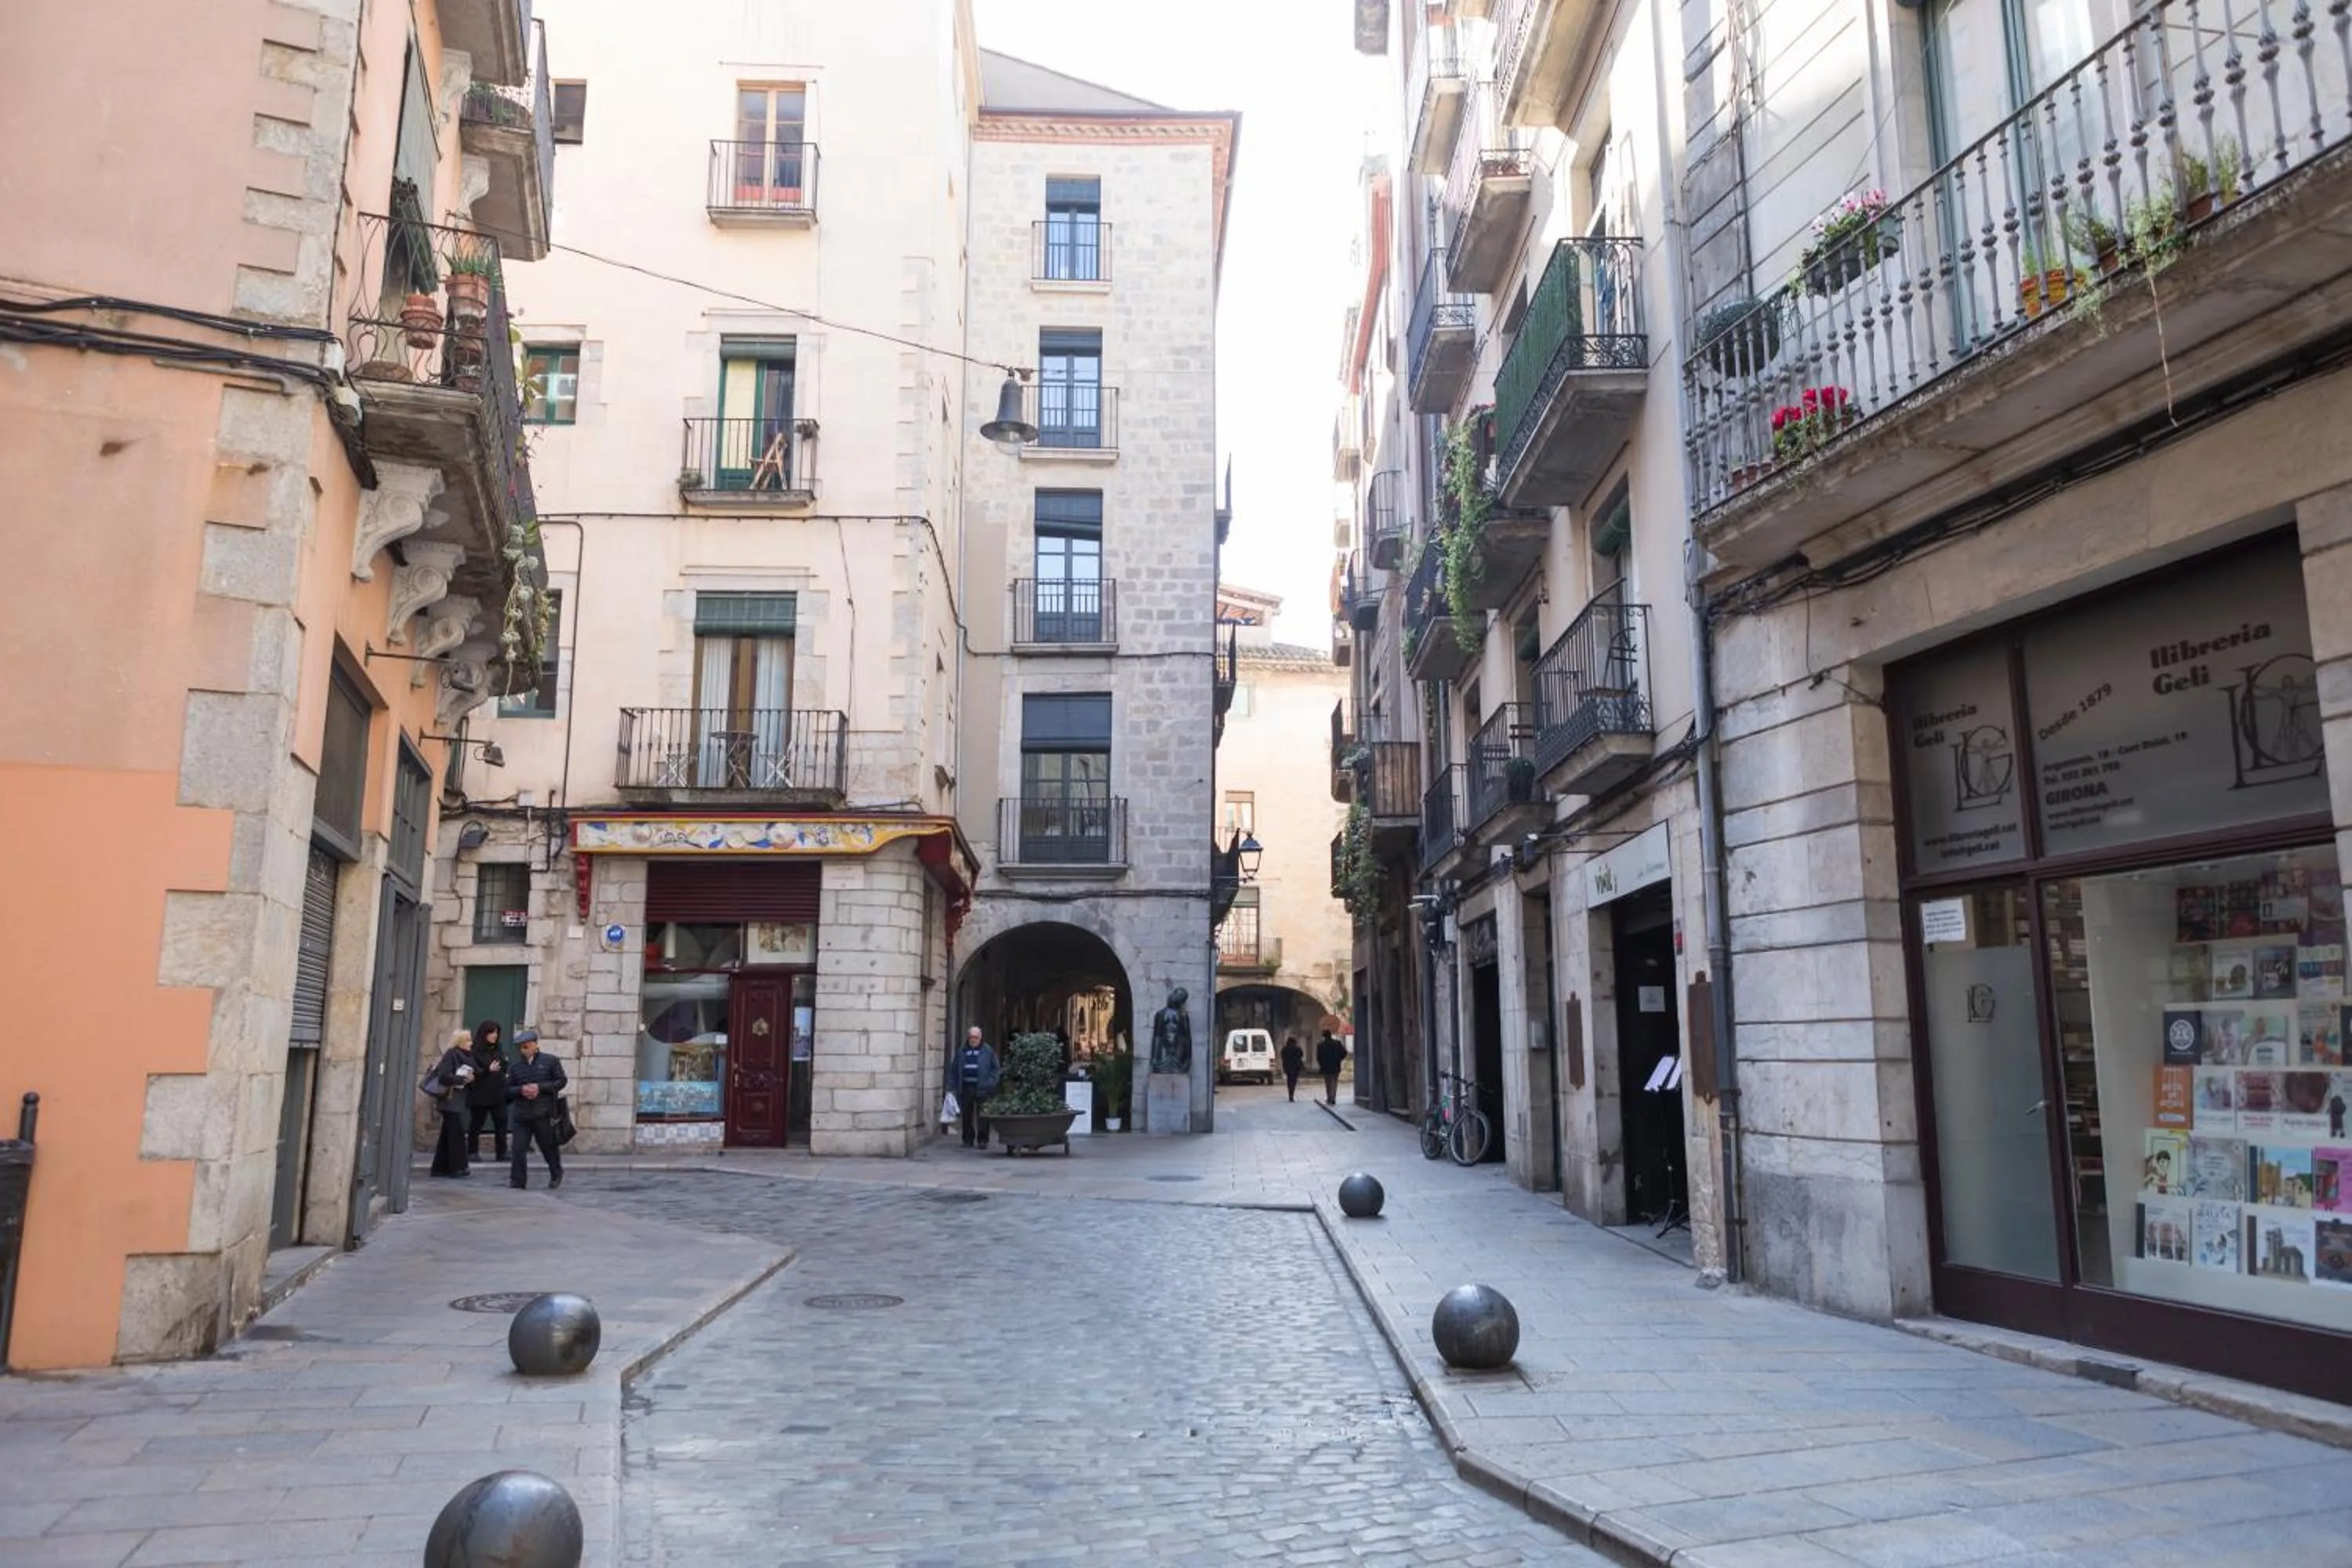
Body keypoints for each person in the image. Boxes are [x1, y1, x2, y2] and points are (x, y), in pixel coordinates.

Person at [506, 1027, 567, 1190]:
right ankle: (518, 1180)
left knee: (548, 1147)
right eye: (521, 1047)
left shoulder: (550, 1061)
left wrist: (540, 1087)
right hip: (522, 1114)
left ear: (534, 1045)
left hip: (543, 1113)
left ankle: (556, 1172)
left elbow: (561, 1081)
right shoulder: (515, 1067)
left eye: (526, 1046)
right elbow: (507, 1089)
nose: (523, 1050)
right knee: (518, 1148)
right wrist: (521, 1090)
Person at [428, 1029, 477, 1178]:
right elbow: (444, 1076)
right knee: (456, 1134)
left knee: (447, 1134)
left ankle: (440, 1167)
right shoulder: (451, 1055)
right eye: (468, 1040)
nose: (471, 1043)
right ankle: (458, 1167)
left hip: (458, 1099)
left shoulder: (468, 1056)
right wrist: (462, 1079)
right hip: (449, 1099)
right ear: (460, 1042)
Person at [465, 1019, 509, 1161]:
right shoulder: (475, 1050)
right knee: (477, 1123)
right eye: (491, 1032)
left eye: (496, 1032)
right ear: (484, 1034)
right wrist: (488, 1070)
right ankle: (472, 1152)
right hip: (480, 1093)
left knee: (501, 1122)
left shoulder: (498, 1049)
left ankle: (502, 1152)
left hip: (497, 1092)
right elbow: (472, 1070)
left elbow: (503, 1066)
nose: (494, 1035)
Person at [953, 1026, 1000, 1149]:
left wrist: (991, 1082)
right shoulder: (962, 1051)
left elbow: (996, 1069)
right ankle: (968, 1139)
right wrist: (953, 1085)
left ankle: (983, 1139)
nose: (973, 1040)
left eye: (976, 1038)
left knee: (983, 1115)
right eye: (971, 1037)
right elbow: (954, 1069)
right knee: (967, 1114)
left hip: (983, 1087)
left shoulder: (988, 1051)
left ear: (980, 1038)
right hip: (966, 1086)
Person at [1316, 1029, 1348, 1107]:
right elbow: (1344, 1053)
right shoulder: (1337, 1043)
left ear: (1324, 1036)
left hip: (1326, 1066)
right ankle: (1333, 1097)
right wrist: (1339, 1059)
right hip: (1335, 1065)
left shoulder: (1321, 1045)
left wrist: (1322, 1064)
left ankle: (1329, 1097)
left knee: (1328, 1082)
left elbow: (1318, 1057)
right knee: (1334, 1082)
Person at [1279, 1036, 1306, 1102]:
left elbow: (1282, 1056)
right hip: (1296, 1066)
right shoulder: (1297, 1048)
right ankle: (1292, 1091)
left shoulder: (1285, 1049)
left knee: (1289, 1080)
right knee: (1294, 1080)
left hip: (1288, 1066)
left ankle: (1290, 1093)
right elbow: (1301, 1055)